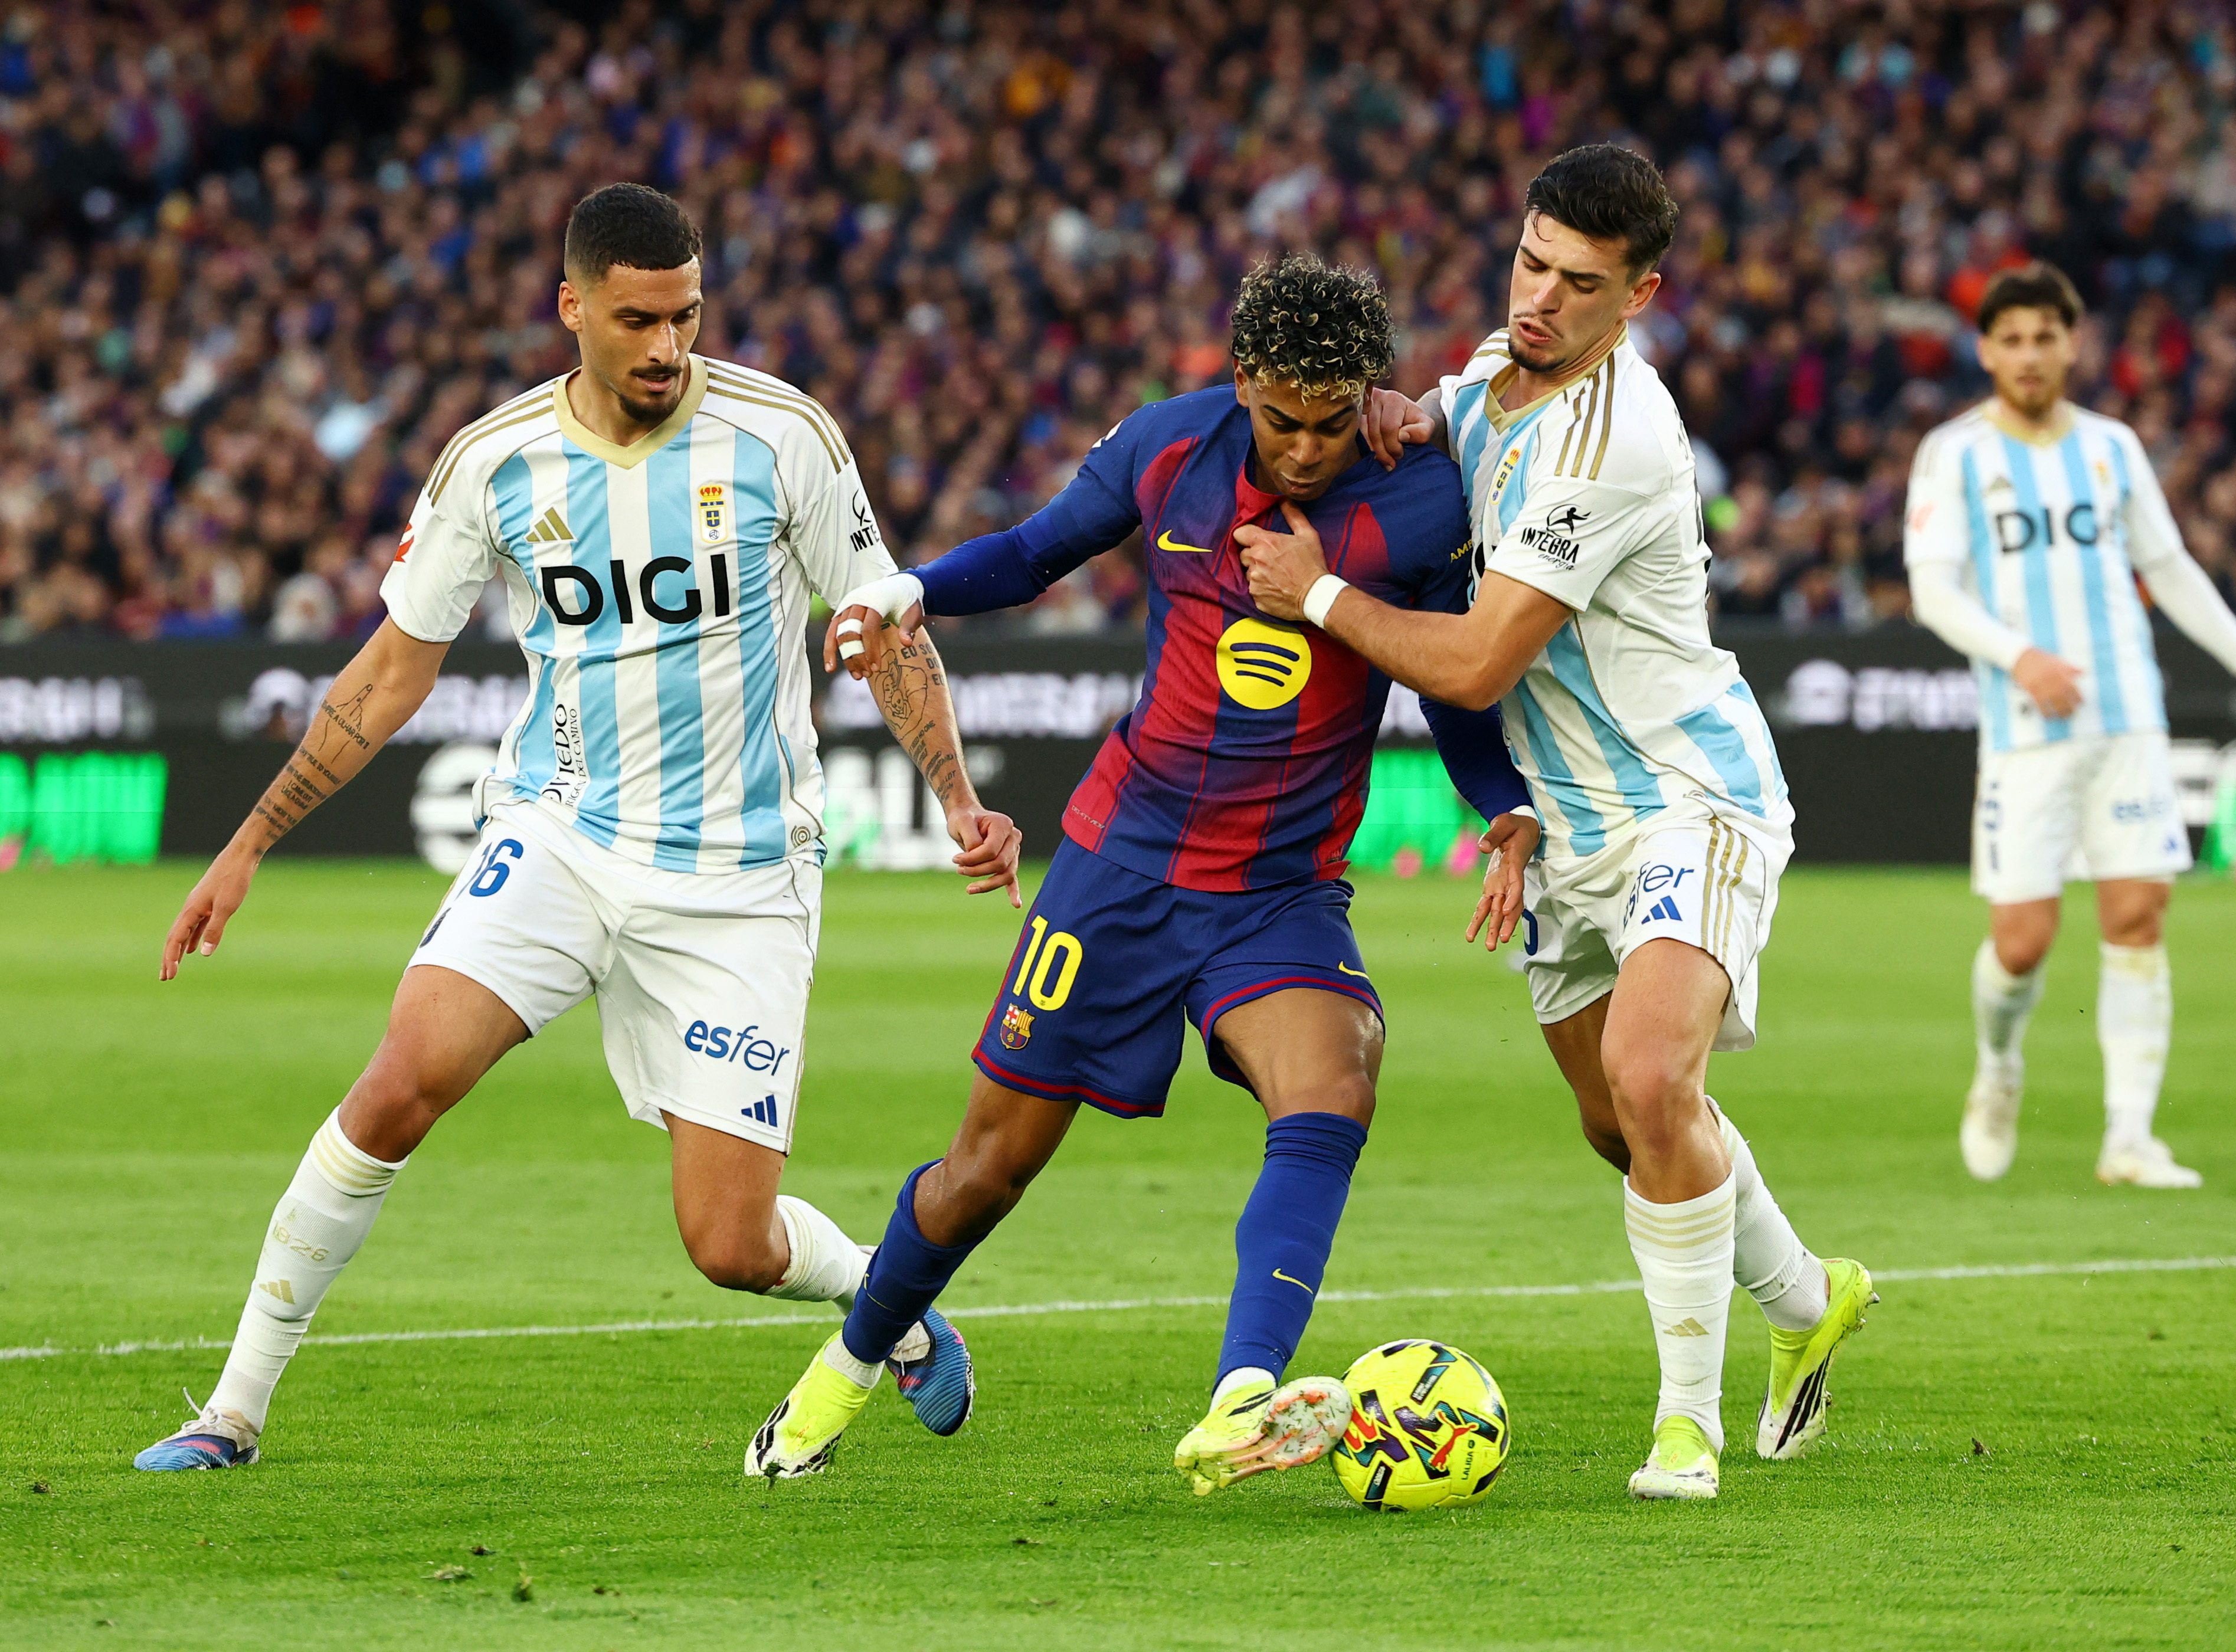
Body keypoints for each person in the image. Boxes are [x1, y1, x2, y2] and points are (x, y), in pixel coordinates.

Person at [135, 183, 1020, 1473]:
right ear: (573, 309)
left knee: (729, 1243)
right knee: (396, 1084)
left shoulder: (784, 439)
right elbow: (388, 673)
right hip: (559, 834)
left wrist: (956, 797)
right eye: (637, 319)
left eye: (687, 315)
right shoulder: (493, 463)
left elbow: (885, 626)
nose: (667, 346)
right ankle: (231, 1412)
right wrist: (246, 840)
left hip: (736, 872)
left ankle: (882, 1302)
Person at [749, 254, 1535, 1492]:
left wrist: (1501, 804)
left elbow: (1449, 674)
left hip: (1278, 888)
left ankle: (1243, 1395)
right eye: (1283, 419)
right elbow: (1036, 549)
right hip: (1117, 871)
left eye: (1335, 420)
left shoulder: (1426, 504)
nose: (1310, 445)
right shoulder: (1168, 452)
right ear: (1238, 386)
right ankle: (836, 1377)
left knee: (1334, 1081)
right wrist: (905, 588)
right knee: (982, 1173)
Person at [1242, 145, 1873, 1502]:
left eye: (1579, 284)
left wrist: (1317, 595)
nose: (1539, 298)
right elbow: (1459, 416)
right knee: (1623, 1125)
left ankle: (1684, 1430)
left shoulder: (1621, 441)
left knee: (1654, 1082)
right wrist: (1415, 409)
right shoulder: (1493, 371)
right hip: (1561, 828)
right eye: (1530, 260)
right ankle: (1805, 1294)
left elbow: (1474, 664)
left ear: (1638, 293)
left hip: (1683, 800)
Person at [1902, 263, 2236, 1189]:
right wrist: (2020, 658)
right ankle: (1998, 1068)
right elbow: (1932, 589)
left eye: (2044, 337)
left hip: (2127, 717)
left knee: (2138, 915)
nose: (2028, 355)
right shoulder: (1954, 454)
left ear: (2070, 344)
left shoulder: (2111, 447)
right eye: (2009, 339)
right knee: (2022, 942)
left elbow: (2168, 571)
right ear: (1985, 350)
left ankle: (2128, 1138)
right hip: (2024, 727)